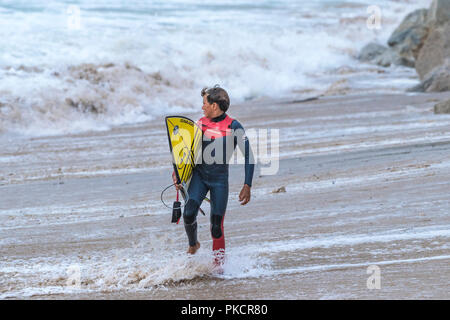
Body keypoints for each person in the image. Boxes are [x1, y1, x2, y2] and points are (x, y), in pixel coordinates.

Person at [172, 85, 254, 267]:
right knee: (188, 213)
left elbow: (249, 156)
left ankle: (219, 267)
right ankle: (193, 244)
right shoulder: (199, 124)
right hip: (199, 177)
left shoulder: (234, 126)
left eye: (204, 103)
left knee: (216, 226)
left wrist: (247, 185)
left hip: (219, 181)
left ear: (214, 105)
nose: (202, 107)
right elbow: (185, 152)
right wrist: (177, 174)